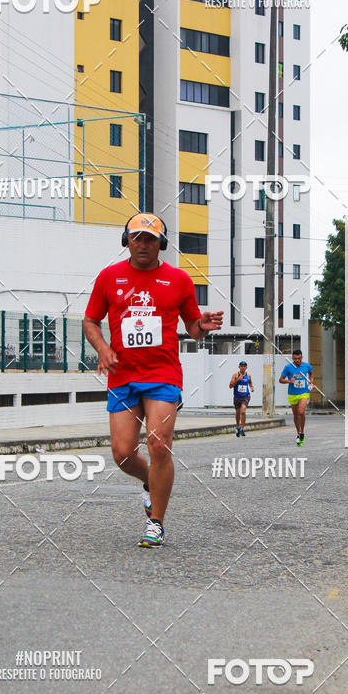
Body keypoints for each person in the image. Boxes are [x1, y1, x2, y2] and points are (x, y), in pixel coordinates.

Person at [83, 212, 223, 547]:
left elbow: (191, 326)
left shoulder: (179, 280)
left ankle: (156, 522)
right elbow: (90, 321)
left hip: (162, 374)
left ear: (161, 243)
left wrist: (200, 326)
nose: (143, 244)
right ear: (126, 241)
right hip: (122, 376)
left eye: (150, 239)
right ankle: (152, 483)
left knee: (158, 444)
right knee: (122, 454)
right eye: (137, 238)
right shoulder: (109, 277)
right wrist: (102, 347)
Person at [279, 349, 314, 446]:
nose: (297, 360)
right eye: (295, 359)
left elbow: (311, 373)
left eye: (299, 358)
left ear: (301, 357)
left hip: (304, 392)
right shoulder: (288, 367)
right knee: (295, 415)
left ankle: (302, 432)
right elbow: (281, 380)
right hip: (292, 393)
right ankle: (298, 432)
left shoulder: (307, 366)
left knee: (301, 412)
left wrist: (311, 382)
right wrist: (289, 381)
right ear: (292, 358)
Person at [229, 361, 253, 437]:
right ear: (239, 367)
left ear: (246, 367)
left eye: (244, 366)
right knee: (237, 413)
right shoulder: (235, 375)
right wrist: (237, 380)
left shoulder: (248, 375)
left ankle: (242, 428)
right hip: (237, 396)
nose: (243, 367)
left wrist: (251, 387)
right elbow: (230, 386)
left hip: (245, 396)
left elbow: (250, 382)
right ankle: (237, 426)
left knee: (243, 411)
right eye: (241, 366)